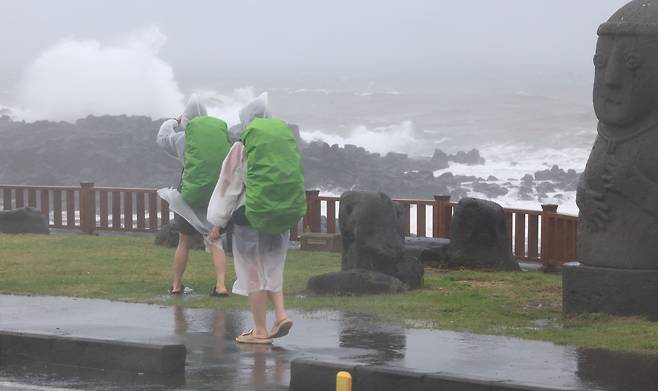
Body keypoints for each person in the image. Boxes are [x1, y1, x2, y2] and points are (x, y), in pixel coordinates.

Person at [207, 92, 306, 344]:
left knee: (253, 274)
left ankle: (260, 330)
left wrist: (217, 221)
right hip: (279, 216)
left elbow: (228, 186)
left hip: (250, 217)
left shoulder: (242, 146)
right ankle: (281, 315)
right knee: (273, 267)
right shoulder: (280, 144)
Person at [156, 95, 231, 297]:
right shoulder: (219, 137)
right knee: (215, 241)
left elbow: (162, 139)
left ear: (187, 120)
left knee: (183, 241)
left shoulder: (182, 138)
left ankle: (177, 285)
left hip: (188, 195)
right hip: (215, 196)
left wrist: (174, 121)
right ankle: (221, 285)